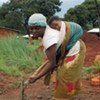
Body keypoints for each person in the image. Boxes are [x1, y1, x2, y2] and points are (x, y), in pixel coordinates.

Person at [26, 13, 86, 100]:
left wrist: (36, 77)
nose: (34, 30)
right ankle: (69, 93)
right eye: (31, 28)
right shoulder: (47, 34)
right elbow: (51, 59)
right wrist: (37, 74)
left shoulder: (49, 38)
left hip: (74, 50)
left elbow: (52, 63)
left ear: (44, 26)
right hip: (67, 50)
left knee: (65, 75)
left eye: (37, 27)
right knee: (62, 75)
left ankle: (63, 97)